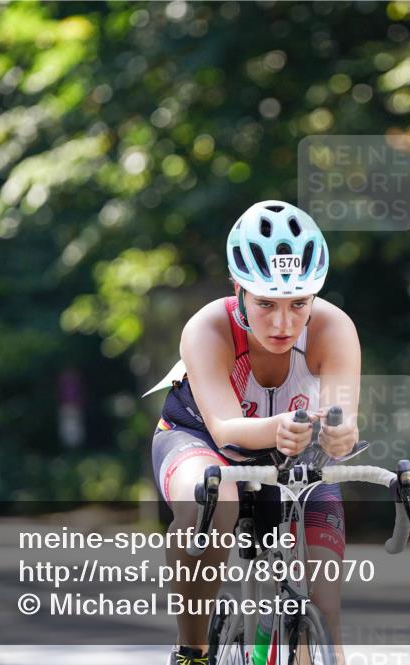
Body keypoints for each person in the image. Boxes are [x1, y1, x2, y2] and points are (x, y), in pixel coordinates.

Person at [149, 200, 361, 665]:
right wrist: (278, 427)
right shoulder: (209, 327)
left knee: (325, 611)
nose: (284, 323)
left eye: (298, 304)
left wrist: (340, 433)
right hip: (200, 440)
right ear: (238, 289)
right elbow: (226, 429)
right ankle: (193, 648)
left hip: (291, 452)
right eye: (266, 303)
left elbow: (343, 418)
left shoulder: (334, 328)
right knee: (213, 499)